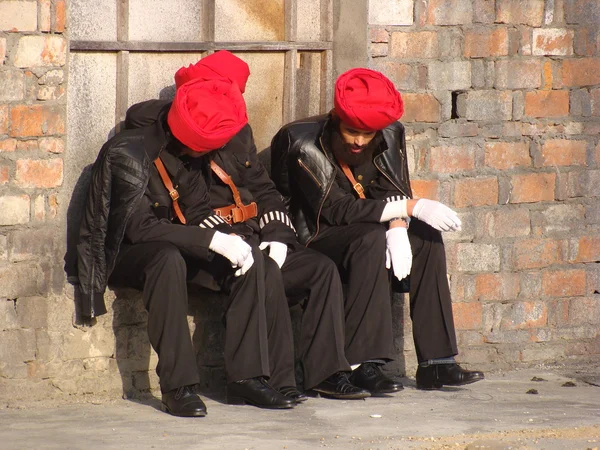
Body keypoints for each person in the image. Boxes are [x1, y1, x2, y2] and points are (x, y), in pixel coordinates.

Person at [123, 51, 402, 401]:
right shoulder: (171, 138)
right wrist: (225, 238)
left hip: (252, 230)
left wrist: (278, 234)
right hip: (204, 240)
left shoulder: (236, 131)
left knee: (320, 269)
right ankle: (260, 381)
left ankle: (326, 374)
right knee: (261, 268)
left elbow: (264, 188)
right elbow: (190, 210)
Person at [270, 67, 485, 390]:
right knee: (370, 238)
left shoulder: (390, 133)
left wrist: (399, 227)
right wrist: (409, 209)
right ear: (335, 120)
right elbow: (336, 209)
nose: (358, 141)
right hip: (316, 235)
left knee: (426, 237)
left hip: (369, 224)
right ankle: (362, 363)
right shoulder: (301, 141)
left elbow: (395, 188)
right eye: (351, 131)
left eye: (367, 134)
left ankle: (437, 363)